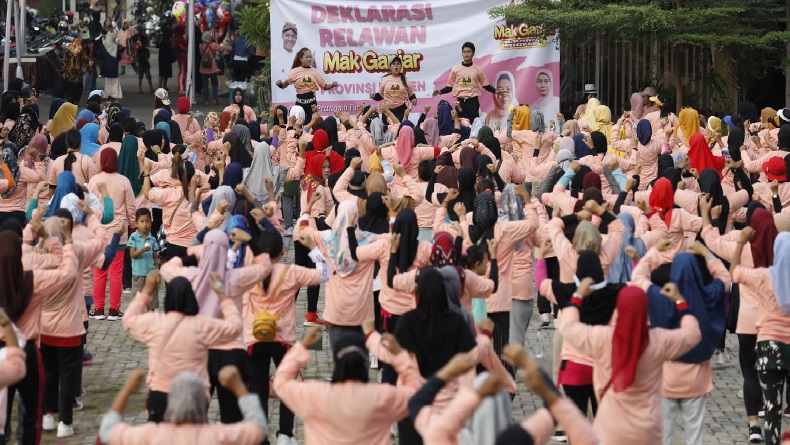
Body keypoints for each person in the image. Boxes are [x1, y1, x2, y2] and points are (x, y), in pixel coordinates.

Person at [98, 366, 266, 444]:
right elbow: (259, 428)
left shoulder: (152, 435)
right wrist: (238, 386)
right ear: (203, 401)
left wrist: (127, 390)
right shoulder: (218, 435)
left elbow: (107, 431)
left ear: (171, 402)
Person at [432, 42, 497, 121]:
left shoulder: (477, 69)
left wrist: (496, 91)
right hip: (460, 102)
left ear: (473, 53)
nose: (466, 54)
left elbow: (485, 85)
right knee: (461, 125)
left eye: (469, 52)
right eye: (464, 52)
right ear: (462, 53)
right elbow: (450, 87)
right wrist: (440, 91)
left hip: (473, 102)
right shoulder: (456, 69)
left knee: (474, 125)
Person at [276, 48, 339, 123]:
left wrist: (332, 85)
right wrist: (280, 84)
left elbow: (324, 86)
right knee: (298, 125)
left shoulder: (314, 71)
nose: (309, 59)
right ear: (301, 59)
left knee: (312, 125)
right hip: (299, 103)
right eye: (307, 57)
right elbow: (284, 85)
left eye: (310, 57)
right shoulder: (294, 71)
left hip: (312, 104)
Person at [128, 208, 160, 311]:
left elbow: (155, 257)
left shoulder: (153, 239)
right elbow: (132, 254)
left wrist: (157, 273)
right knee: (137, 302)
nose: (145, 224)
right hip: (138, 275)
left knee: (151, 302)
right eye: (142, 221)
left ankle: (150, 322)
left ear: (151, 223)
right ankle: (138, 323)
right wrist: (142, 250)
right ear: (136, 223)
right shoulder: (133, 237)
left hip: (150, 275)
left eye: (147, 221)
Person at [369, 56, 417, 125]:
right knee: (389, 131)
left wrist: (414, 100)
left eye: (398, 64)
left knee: (399, 130)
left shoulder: (405, 80)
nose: (396, 66)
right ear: (390, 67)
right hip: (387, 110)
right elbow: (380, 95)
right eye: (394, 64)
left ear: (401, 66)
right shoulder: (385, 79)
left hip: (401, 110)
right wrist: (373, 96)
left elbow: (411, 95)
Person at [199, 32, 232, 105]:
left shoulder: (200, 46)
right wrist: (230, 48)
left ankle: (206, 100)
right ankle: (214, 99)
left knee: (205, 85)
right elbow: (222, 48)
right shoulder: (213, 45)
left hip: (203, 68)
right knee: (214, 84)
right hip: (212, 68)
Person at [97, 32, 124, 100]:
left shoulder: (103, 47)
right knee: (115, 82)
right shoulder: (116, 47)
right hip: (114, 68)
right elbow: (119, 57)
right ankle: (115, 94)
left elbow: (99, 56)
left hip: (105, 68)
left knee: (107, 82)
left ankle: (107, 94)